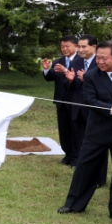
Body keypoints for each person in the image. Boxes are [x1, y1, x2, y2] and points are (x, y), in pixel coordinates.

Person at [57, 40, 112, 224]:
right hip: (97, 131)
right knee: (85, 168)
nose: (100, 62)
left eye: (104, 58)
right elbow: (89, 100)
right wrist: (111, 108)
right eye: (99, 58)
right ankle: (74, 205)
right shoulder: (92, 76)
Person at [64, 35, 108, 186]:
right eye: (79, 46)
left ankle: (99, 179)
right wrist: (70, 80)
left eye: (84, 47)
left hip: (95, 111)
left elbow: (106, 88)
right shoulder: (75, 62)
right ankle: (84, 173)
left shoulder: (102, 63)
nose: (80, 50)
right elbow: (72, 87)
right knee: (81, 142)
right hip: (78, 108)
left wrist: (87, 79)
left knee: (98, 145)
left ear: (94, 47)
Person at [42, 35, 80, 166]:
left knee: (75, 130)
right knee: (64, 130)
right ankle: (67, 155)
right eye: (62, 46)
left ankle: (76, 157)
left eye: (67, 46)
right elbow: (51, 77)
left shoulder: (81, 61)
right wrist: (47, 69)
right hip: (61, 101)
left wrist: (65, 71)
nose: (64, 49)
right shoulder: (58, 61)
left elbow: (80, 80)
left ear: (76, 46)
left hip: (76, 102)